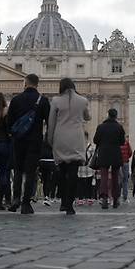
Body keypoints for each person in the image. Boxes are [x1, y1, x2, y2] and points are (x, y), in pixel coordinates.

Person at [6, 74, 50, 214]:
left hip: (18, 140)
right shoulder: (42, 100)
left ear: (25, 83)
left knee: (18, 170)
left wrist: (13, 135)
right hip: (35, 141)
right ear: (37, 84)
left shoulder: (16, 99)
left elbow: (9, 122)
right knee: (31, 172)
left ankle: (16, 198)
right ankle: (26, 203)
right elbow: (49, 122)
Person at [47, 78, 90, 215]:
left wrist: (50, 139)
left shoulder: (55, 101)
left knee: (62, 172)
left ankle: (63, 202)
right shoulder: (83, 100)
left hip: (60, 137)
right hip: (76, 138)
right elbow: (87, 117)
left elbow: (51, 122)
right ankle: (69, 204)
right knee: (73, 173)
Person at [93, 108, 125, 209]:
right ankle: (115, 199)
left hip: (104, 153)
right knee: (115, 177)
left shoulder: (101, 127)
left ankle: (104, 198)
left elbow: (95, 140)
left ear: (108, 115)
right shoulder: (119, 127)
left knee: (104, 177)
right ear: (115, 116)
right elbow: (122, 142)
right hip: (115, 153)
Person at [77, 132, 95, 205]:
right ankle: (81, 198)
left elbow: (93, 157)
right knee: (81, 184)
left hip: (88, 168)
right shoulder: (80, 147)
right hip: (82, 168)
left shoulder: (90, 147)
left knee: (88, 183)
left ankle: (89, 197)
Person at [39, 140, 57, 207]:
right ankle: (47, 196)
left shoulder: (43, 142)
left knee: (45, 180)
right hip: (51, 162)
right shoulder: (53, 141)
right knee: (49, 180)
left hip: (42, 161)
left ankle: (45, 196)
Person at [120, 135, 132, 202]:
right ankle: (125, 196)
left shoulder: (117, 142)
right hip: (125, 162)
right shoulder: (126, 143)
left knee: (118, 179)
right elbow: (130, 152)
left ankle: (117, 195)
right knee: (125, 180)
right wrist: (127, 157)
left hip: (118, 162)